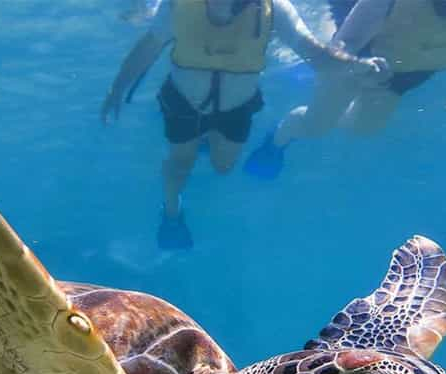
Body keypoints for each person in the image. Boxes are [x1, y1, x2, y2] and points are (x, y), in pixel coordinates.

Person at [101, 0, 388, 250]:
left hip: (236, 109)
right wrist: (117, 89)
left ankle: (219, 141)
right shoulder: (177, 4)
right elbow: (147, 48)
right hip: (183, 104)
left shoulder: (274, 8)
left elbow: (316, 55)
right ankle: (172, 215)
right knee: (180, 163)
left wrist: (355, 66)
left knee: (223, 166)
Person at [244, 0, 446, 179]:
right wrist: (352, 67)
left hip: (400, 76)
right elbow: (348, 41)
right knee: (317, 126)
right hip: (358, 60)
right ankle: (276, 141)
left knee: (365, 128)